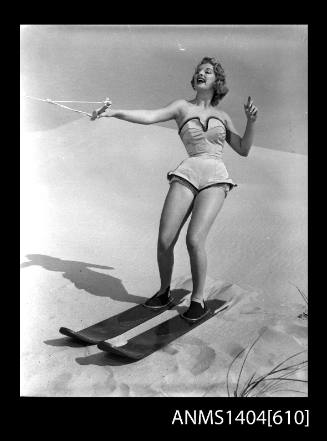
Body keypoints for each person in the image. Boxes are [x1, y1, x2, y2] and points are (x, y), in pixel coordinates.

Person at [93, 57, 258, 321]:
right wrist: (114, 113)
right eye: (199, 71)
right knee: (165, 240)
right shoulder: (181, 106)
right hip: (188, 172)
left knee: (194, 240)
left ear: (217, 82)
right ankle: (163, 292)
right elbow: (149, 117)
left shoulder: (223, 117)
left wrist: (251, 123)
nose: (201, 74)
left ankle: (198, 299)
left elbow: (244, 149)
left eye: (208, 71)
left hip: (215, 176)